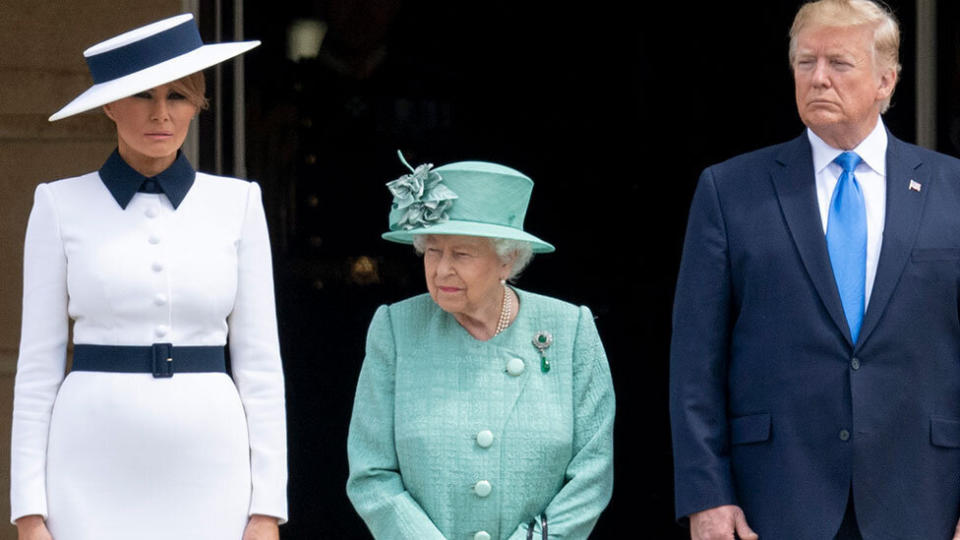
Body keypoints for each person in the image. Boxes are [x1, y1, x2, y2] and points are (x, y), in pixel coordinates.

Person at [670, 0, 960, 538]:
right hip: (774, 500)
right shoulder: (731, 191)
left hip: (924, 499)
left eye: (839, 63)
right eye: (806, 63)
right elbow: (695, 362)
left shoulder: (953, 190)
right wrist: (706, 495)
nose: (818, 78)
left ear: (886, 80)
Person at [10, 14, 287, 540]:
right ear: (109, 104)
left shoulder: (238, 203)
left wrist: (267, 507)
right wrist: (28, 510)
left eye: (178, 97)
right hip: (88, 462)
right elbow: (37, 367)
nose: (160, 114)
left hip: (212, 463)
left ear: (197, 106)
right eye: (143, 96)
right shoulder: (58, 204)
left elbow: (260, 366)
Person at [346, 154, 615, 539]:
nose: (441, 270)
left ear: (507, 261)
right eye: (433, 250)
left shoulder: (570, 330)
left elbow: (593, 471)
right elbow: (371, 474)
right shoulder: (396, 329)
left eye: (462, 254)